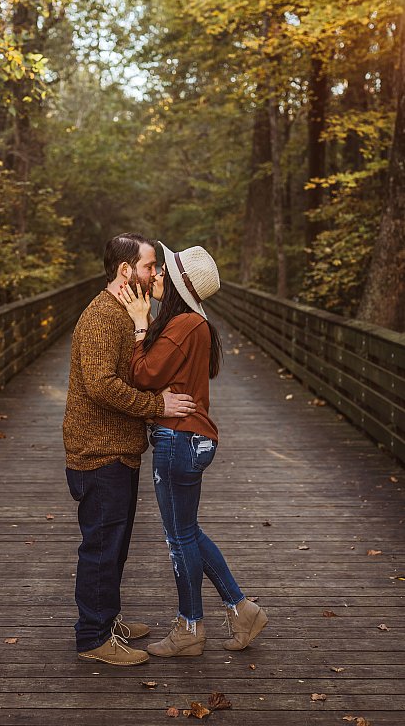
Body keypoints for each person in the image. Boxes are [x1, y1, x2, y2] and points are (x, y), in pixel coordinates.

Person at [117, 242, 268, 657]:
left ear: (180, 285)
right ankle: (241, 609)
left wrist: (139, 324)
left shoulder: (183, 324)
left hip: (177, 438)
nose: (157, 276)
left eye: (164, 272)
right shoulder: (193, 323)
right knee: (188, 532)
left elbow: (142, 374)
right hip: (191, 438)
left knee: (178, 536)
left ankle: (190, 628)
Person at [63, 233, 197, 666]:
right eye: (149, 266)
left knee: (114, 544)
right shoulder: (103, 316)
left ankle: (107, 620)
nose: (156, 273)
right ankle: (93, 638)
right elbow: (101, 385)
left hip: (118, 448)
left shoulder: (126, 312)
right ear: (126, 271)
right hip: (99, 451)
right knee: (101, 546)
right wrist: (157, 406)